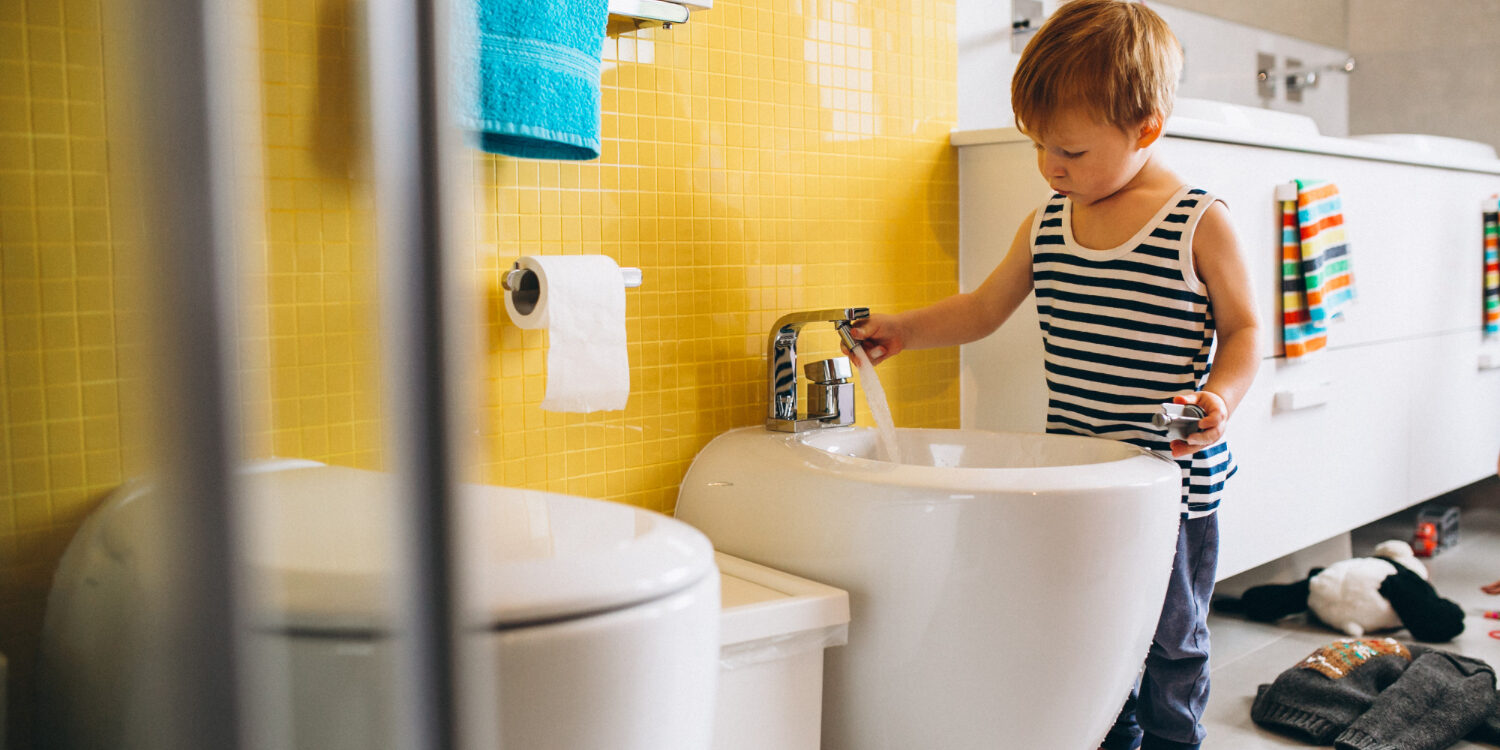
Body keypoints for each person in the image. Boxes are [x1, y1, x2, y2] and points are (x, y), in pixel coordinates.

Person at [849, 2, 1259, 748]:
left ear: (1146, 128)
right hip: (1075, 476)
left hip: (1172, 483)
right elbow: (982, 309)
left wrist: (1219, 398)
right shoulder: (1048, 222)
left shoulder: (1197, 221)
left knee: (1173, 640)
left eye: (1069, 150)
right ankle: (1112, 734)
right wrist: (905, 330)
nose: (1050, 166)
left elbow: (1245, 331)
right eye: (1038, 146)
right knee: (1091, 631)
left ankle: (1172, 740)